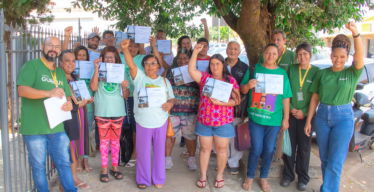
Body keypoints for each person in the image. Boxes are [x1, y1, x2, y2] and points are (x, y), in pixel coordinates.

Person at [304, 22, 364, 192]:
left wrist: (356, 33)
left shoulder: (352, 73)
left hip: (343, 118)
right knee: (325, 159)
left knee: (336, 161)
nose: (338, 60)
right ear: (331, 56)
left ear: (347, 57)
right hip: (322, 116)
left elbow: (359, 55)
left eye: (342, 57)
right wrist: (309, 121)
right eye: (335, 56)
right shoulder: (322, 74)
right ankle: (327, 187)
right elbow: (314, 99)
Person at [17, 36, 77, 191]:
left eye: (57, 47)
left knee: (64, 164)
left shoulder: (60, 72)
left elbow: (67, 95)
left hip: (57, 129)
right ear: (42, 46)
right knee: (38, 167)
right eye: (50, 45)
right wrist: (47, 93)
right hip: (35, 129)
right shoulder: (32, 66)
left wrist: (69, 103)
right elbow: (22, 90)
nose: (53, 49)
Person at [121, 38, 175, 189]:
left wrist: (170, 103)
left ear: (158, 65)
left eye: (153, 63)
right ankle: (143, 179)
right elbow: (130, 64)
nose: (150, 66)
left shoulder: (164, 82)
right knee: (143, 153)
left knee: (159, 152)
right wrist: (125, 49)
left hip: (160, 121)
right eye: (147, 63)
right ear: (143, 66)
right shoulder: (139, 78)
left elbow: (172, 98)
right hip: (143, 122)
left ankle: (158, 178)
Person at [240, 44, 292, 192]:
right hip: (256, 118)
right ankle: (250, 176)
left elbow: (286, 98)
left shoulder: (282, 73)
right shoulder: (254, 70)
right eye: (268, 53)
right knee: (256, 148)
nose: (270, 56)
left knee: (269, 149)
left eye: (274, 53)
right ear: (263, 53)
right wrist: (248, 85)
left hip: (274, 120)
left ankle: (263, 177)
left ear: (278, 54)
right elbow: (242, 89)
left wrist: (286, 118)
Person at [188, 44, 240, 189]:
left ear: (223, 65)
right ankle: (203, 176)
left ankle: (219, 176)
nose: (215, 66)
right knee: (205, 149)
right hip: (205, 121)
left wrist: (221, 103)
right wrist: (195, 53)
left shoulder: (230, 81)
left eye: (218, 64)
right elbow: (191, 70)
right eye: (212, 64)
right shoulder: (205, 78)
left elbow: (236, 101)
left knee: (222, 150)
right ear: (209, 66)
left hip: (223, 122)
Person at [280, 43, 320, 191]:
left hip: (307, 116)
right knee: (288, 146)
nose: (302, 57)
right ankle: (288, 175)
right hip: (290, 113)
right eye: (299, 54)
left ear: (310, 54)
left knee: (304, 148)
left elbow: (316, 97)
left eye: (305, 54)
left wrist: (303, 112)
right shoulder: (291, 69)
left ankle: (303, 178)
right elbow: (285, 91)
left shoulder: (316, 72)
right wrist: (291, 109)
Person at [89, 46, 130, 183]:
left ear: (116, 58)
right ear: (102, 58)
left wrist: (124, 87)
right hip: (103, 111)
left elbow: (126, 95)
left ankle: (115, 167)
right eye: (106, 57)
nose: (109, 59)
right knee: (104, 142)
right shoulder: (97, 70)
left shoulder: (122, 71)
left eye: (112, 57)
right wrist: (96, 68)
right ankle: (104, 169)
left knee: (115, 142)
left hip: (118, 111)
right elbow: (93, 88)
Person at [258, 29, 295, 161]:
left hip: (281, 99)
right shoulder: (265, 55)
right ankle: (266, 154)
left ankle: (274, 154)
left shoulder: (291, 56)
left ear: (284, 41)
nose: (276, 42)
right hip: (264, 99)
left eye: (278, 39)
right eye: (273, 39)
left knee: (277, 131)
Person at [58, 50, 93, 190]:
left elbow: (79, 99)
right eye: (67, 60)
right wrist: (78, 104)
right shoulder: (59, 78)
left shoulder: (74, 76)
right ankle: (69, 179)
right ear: (60, 62)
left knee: (75, 146)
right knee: (69, 148)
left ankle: (73, 178)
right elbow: (63, 101)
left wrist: (87, 100)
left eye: (73, 61)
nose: (71, 63)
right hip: (68, 117)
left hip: (79, 115)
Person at [163, 48, 200, 170]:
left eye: (185, 58)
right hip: (173, 110)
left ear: (190, 59)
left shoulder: (195, 73)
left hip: (190, 111)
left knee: (190, 137)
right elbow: (162, 86)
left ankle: (191, 159)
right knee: (169, 136)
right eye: (179, 58)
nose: (182, 60)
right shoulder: (170, 72)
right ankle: (167, 159)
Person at [118, 39, 147, 167]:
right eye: (130, 47)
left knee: (137, 125)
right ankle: (121, 153)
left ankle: (135, 155)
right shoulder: (119, 56)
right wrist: (123, 48)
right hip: (120, 94)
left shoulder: (142, 57)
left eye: (135, 47)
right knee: (121, 125)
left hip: (138, 95)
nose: (132, 49)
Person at [225, 41, 249, 174]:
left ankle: (234, 161)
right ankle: (223, 159)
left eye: (235, 49)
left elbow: (246, 91)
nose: (232, 51)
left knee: (235, 135)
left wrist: (245, 111)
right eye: (230, 48)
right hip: (220, 107)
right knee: (222, 135)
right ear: (226, 50)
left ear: (239, 52)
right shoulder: (219, 64)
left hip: (237, 109)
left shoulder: (244, 68)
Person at [73, 45, 96, 172]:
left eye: (84, 55)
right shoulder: (71, 68)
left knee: (86, 132)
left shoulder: (90, 68)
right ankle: (78, 160)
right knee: (76, 132)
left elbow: (93, 86)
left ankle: (86, 160)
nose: (81, 57)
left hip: (88, 104)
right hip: (75, 105)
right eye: (79, 55)